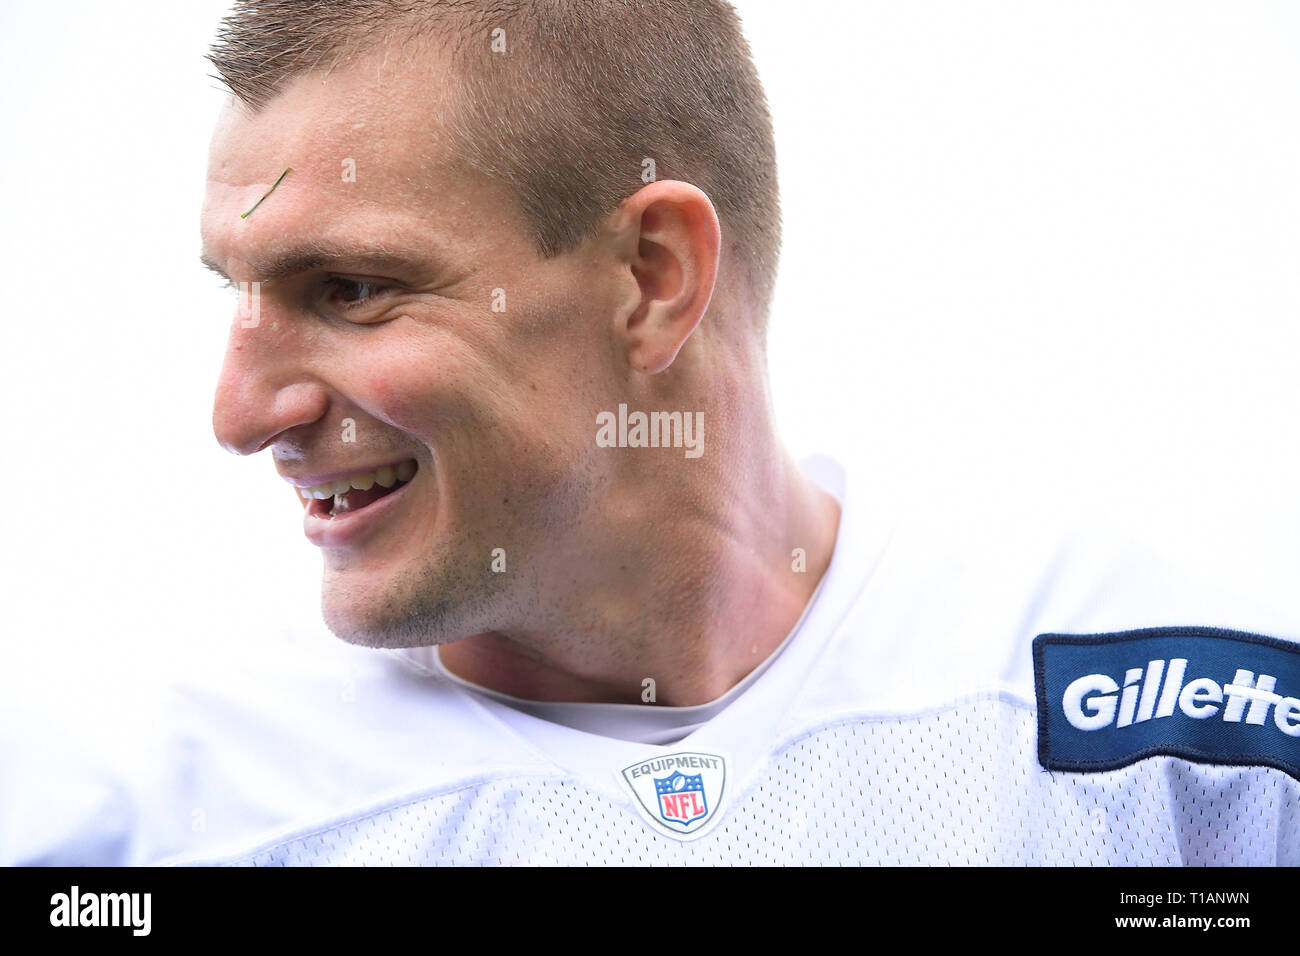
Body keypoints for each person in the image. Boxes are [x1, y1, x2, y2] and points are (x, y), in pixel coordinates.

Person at [20, 0, 1298, 866]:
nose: (241, 415)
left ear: (652, 276)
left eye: (349, 290)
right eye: (235, 292)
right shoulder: (126, 826)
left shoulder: (1174, 730)